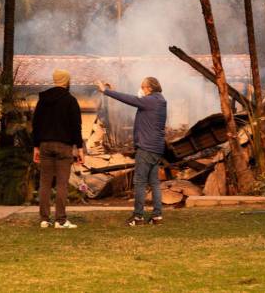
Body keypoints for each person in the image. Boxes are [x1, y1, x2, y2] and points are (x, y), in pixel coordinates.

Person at [96, 77, 167, 226]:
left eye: (142, 87)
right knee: (154, 182)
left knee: (140, 182)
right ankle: (157, 216)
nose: (140, 89)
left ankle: (138, 217)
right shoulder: (160, 101)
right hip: (156, 148)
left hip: (146, 148)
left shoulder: (150, 101)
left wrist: (106, 91)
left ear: (150, 88)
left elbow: (128, 99)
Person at [32, 69, 85, 229]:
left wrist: (35, 147)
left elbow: (36, 124)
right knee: (62, 183)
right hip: (64, 146)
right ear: (67, 81)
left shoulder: (43, 100)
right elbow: (76, 126)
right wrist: (80, 148)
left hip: (45, 145)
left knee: (45, 182)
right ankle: (60, 220)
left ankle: (44, 219)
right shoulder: (70, 100)